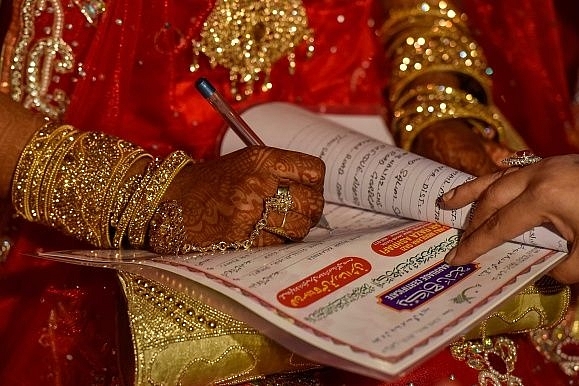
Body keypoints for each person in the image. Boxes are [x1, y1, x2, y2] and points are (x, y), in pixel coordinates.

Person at [1, 0, 578, 385]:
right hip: (95, 173)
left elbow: (419, 12)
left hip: (361, 136)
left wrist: (437, 115)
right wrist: (141, 195)